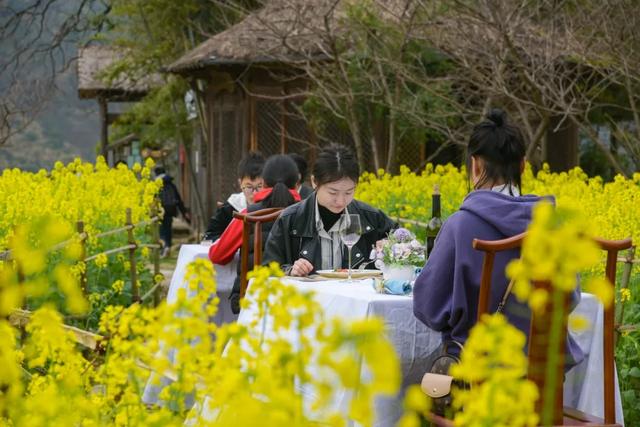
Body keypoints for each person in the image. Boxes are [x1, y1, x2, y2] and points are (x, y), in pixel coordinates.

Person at [412, 109, 584, 367]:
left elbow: (428, 306)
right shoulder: (554, 225)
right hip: (543, 372)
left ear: (475, 165)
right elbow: (569, 298)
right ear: (524, 166)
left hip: (478, 372)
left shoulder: (460, 225)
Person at [263, 144, 396, 276]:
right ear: (315, 182)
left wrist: (390, 247)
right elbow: (268, 270)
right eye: (333, 193)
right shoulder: (290, 219)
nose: (341, 201)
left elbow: (405, 242)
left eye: (349, 192)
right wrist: (290, 271)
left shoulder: (370, 218)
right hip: (307, 296)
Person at [209, 154, 302, 313]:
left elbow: (217, 256)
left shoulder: (249, 215)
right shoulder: (310, 213)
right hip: (301, 299)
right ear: (297, 183)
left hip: (254, 298)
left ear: (264, 183)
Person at [202, 152, 265, 242]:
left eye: (259, 186)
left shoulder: (272, 206)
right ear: (240, 183)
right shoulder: (230, 208)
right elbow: (208, 237)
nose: (254, 193)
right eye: (249, 187)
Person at [155, 166, 190, 257]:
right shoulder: (171, 183)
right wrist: (184, 212)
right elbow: (178, 199)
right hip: (170, 210)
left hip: (160, 210)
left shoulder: (156, 184)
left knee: (162, 230)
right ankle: (168, 247)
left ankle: (164, 248)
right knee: (168, 229)